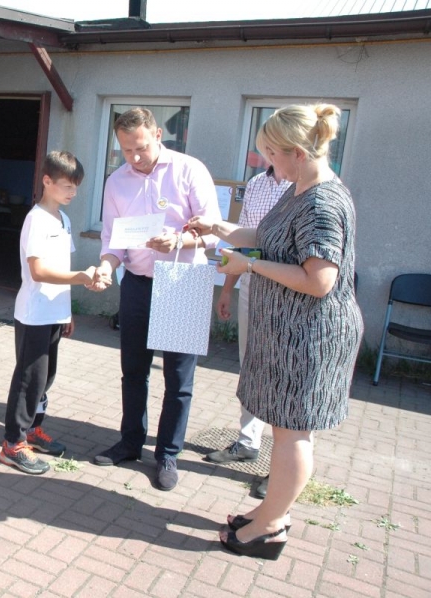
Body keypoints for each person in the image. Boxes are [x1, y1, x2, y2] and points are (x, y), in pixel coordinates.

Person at [188, 104, 363, 560]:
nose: (267, 162)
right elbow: (266, 236)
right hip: (288, 334)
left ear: (298, 153)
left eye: (272, 153)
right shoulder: (299, 189)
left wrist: (249, 266)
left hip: (309, 338)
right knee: (285, 430)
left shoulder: (322, 202)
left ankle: (270, 526)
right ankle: (270, 511)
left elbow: (319, 281)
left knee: (292, 434)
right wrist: (218, 228)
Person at [91, 107, 222, 492]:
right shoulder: (116, 182)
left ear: (158, 135)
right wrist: (105, 267)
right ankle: (131, 442)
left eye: (141, 148)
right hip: (138, 282)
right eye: (126, 150)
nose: (135, 157)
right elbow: (112, 239)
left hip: (183, 279)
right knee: (133, 370)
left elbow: (214, 232)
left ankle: (167, 453)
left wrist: (180, 240)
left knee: (178, 378)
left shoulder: (189, 170)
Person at [0, 151, 101, 475]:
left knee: (46, 378)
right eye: (67, 186)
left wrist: (67, 313)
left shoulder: (63, 219)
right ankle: (12, 444)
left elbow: (61, 265)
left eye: (76, 186)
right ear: (47, 181)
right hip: (34, 314)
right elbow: (39, 271)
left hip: (54, 313)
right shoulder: (37, 219)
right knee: (29, 379)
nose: (73, 192)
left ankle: (32, 430)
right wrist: (82, 278)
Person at [206, 165, 291, 499]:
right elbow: (244, 241)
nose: (269, 155)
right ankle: (247, 442)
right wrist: (228, 288)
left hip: (287, 294)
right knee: (250, 366)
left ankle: (283, 468)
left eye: (274, 148)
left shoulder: (308, 186)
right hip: (252, 286)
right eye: (266, 148)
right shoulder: (257, 183)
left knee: (283, 376)